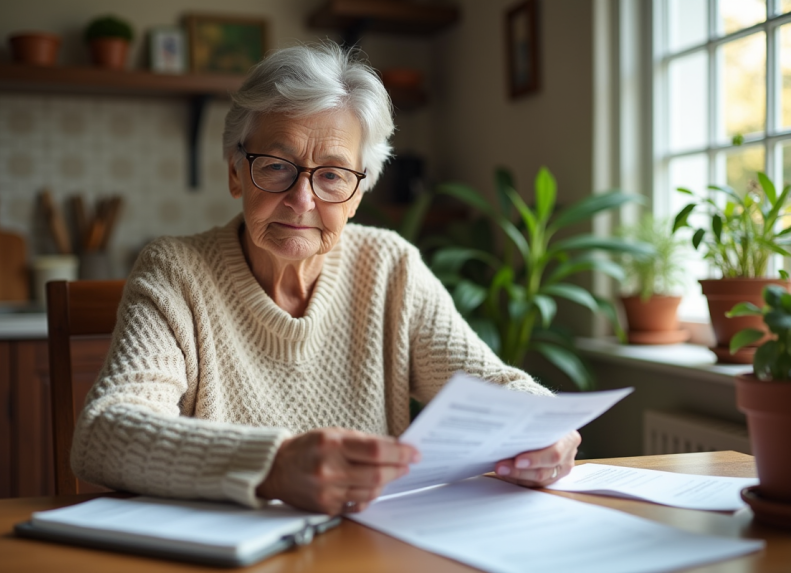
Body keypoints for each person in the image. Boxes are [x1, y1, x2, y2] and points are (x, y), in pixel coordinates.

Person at [71, 41, 580, 516]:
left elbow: (492, 385)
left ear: (359, 194)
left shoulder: (390, 267)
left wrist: (545, 426)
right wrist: (274, 465)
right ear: (235, 172)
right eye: (276, 166)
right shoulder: (176, 272)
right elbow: (105, 432)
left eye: (333, 175)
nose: (302, 200)